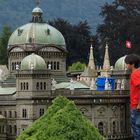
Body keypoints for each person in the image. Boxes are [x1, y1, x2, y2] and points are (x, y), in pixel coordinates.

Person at [125, 54, 140, 140]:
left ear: (132, 64)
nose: (126, 66)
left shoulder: (135, 74)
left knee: (136, 132)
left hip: (136, 107)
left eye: (127, 64)